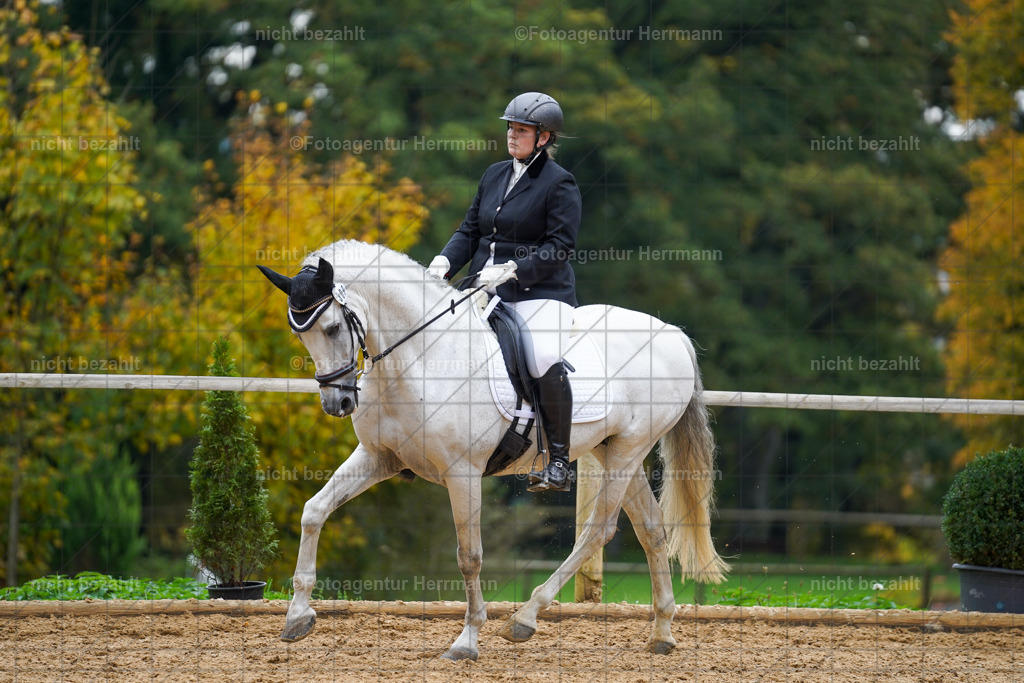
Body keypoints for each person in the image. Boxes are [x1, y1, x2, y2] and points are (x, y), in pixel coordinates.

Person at [427, 92, 581, 493]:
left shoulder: (559, 183)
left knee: (543, 355)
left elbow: (561, 246)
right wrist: (444, 262)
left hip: (540, 291)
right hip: (483, 287)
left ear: (543, 138)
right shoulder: (494, 174)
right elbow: (470, 230)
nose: (512, 135)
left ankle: (560, 462)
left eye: (522, 130)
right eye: (510, 127)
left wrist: (516, 269)